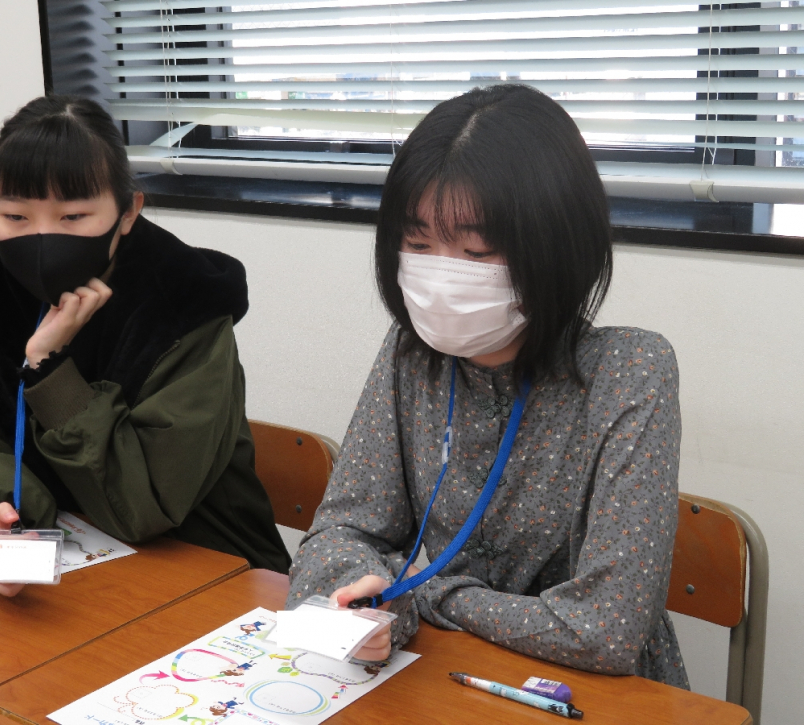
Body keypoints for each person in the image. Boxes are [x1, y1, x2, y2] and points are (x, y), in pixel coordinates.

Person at [286, 84, 688, 688]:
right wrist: (360, 598)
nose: (442, 279)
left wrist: (431, 596)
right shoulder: (410, 355)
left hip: (594, 695)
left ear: (555, 246)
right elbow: (341, 532)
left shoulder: (631, 371)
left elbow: (605, 630)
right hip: (454, 677)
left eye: (475, 251)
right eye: (418, 245)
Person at [0, 95, 290, 595]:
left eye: (73, 217)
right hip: (70, 567)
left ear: (128, 212)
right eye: (15, 216)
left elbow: (144, 507)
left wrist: (48, 370)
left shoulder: (185, 308)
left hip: (204, 566)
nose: (43, 238)